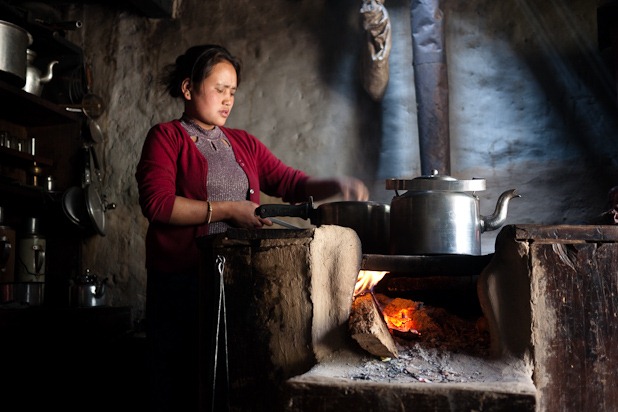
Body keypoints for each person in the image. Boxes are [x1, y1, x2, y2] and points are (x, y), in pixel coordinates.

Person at [135, 44, 369, 412]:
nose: (227, 100)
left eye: (233, 92)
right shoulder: (166, 138)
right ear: (187, 88)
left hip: (237, 280)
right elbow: (159, 205)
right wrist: (230, 210)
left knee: (232, 376)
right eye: (219, 89)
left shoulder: (242, 142)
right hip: (182, 282)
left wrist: (335, 183)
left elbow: (290, 182)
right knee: (178, 379)